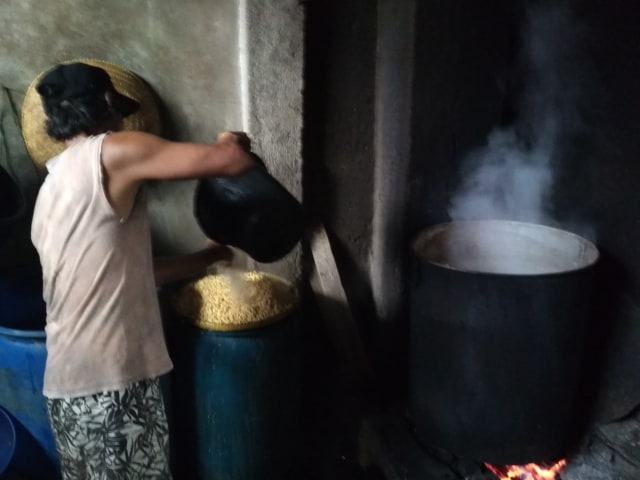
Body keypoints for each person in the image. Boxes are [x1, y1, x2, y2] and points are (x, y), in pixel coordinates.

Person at [30, 62, 257, 479]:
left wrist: (206, 258)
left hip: (66, 389)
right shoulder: (110, 152)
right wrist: (229, 141)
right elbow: (232, 161)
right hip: (111, 386)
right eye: (117, 110)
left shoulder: (52, 188)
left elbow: (131, 273)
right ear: (105, 104)